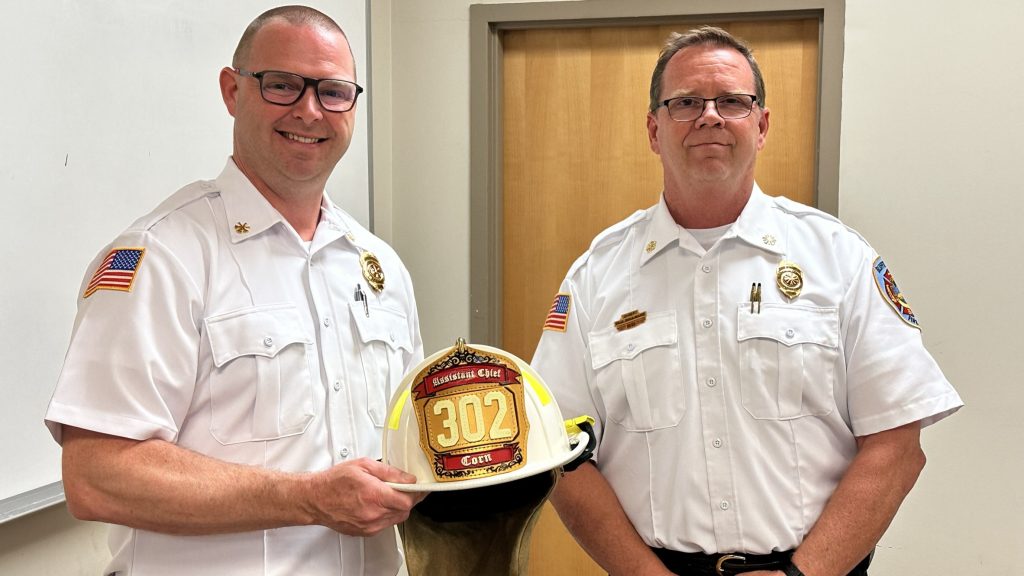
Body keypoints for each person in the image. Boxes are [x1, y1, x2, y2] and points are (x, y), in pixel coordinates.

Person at [531, 26, 962, 576]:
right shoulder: (596, 277)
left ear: (761, 126)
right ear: (653, 129)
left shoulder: (838, 259)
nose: (709, 116)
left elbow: (898, 443)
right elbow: (560, 455)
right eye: (685, 102)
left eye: (732, 101)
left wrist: (805, 573)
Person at [44, 6, 424, 575]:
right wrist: (308, 499)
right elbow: (97, 477)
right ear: (232, 90)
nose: (309, 110)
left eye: (334, 91)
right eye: (282, 85)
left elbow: (409, 445)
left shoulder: (380, 267)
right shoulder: (163, 257)